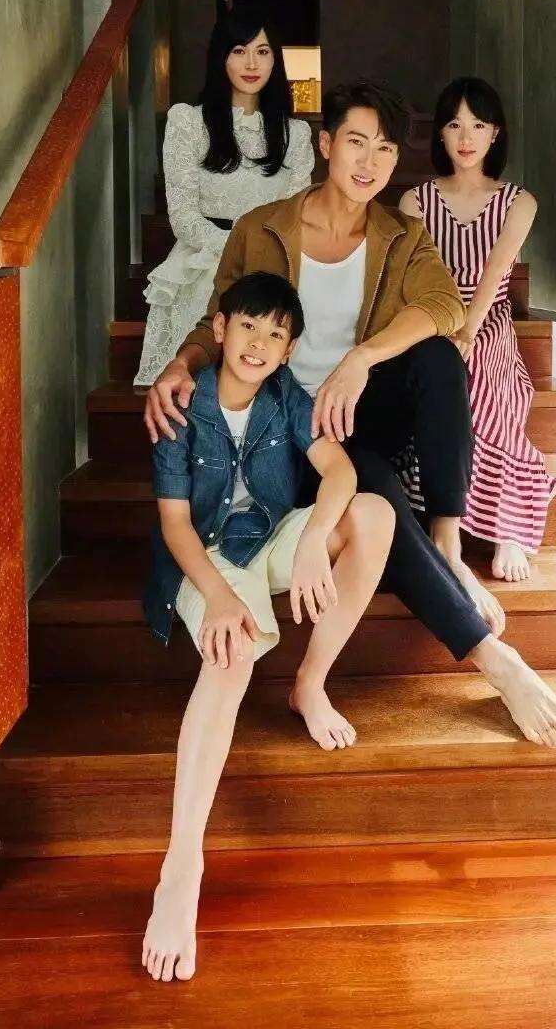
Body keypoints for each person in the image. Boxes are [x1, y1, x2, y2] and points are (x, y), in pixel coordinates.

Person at [144, 80, 556, 756]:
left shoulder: (400, 234)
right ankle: (494, 659)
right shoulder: (263, 228)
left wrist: (361, 358)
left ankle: (446, 539)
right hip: (289, 430)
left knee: (437, 356)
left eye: (384, 148)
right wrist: (181, 363)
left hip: (359, 408)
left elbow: (445, 305)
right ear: (326, 144)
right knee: (370, 481)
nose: (369, 161)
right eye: (356, 141)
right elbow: (217, 322)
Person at [141, 270, 393, 983]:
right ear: (220, 329)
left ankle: (310, 684)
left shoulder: (285, 396)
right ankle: (181, 868)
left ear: (289, 350)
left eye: (276, 334)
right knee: (230, 655)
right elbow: (175, 526)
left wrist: (312, 540)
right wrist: (221, 597)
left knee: (373, 514)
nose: (258, 343)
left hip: (271, 538)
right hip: (207, 559)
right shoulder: (182, 404)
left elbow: (339, 473)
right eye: (248, 326)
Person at [399, 77, 556, 584]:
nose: (465, 137)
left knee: (488, 376)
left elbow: (495, 274)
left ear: (496, 133)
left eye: (477, 125)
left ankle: (507, 526)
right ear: (440, 135)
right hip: (433, 315)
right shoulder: (415, 201)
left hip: (486, 318)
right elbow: (414, 280)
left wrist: (468, 333)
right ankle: (434, 511)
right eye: (454, 125)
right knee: (430, 371)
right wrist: (444, 331)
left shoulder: (519, 202)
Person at [134, 10, 314, 386]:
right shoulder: (188, 122)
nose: (252, 64)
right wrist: (237, 251)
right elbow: (182, 215)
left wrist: (259, 256)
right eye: (239, 51)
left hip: (271, 263)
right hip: (203, 261)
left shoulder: (294, 135)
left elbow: (295, 216)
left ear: (275, 60)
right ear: (221, 56)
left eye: (262, 52)